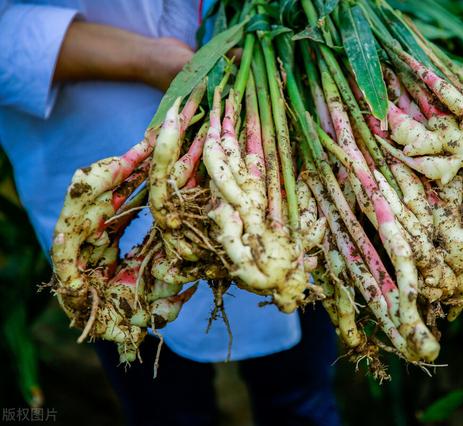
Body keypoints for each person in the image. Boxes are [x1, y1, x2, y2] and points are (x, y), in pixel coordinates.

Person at [0, 1, 339, 425]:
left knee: (300, 393)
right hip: (97, 144)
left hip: (282, 156)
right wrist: (148, 60)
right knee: (162, 399)